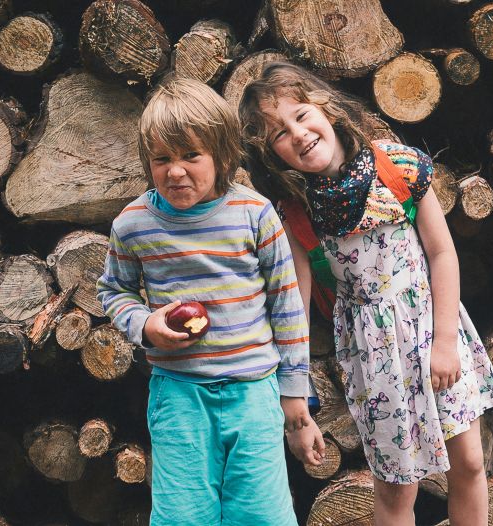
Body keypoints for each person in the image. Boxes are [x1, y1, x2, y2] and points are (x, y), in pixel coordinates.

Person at [239, 62, 493, 526]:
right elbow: (295, 314)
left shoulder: (397, 168)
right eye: (280, 134)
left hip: (432, 329)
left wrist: (445, 340)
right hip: (374, 357)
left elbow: (442, 253)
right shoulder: (299, 215)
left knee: (467, 463)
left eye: (301, 115)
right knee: (398, 488)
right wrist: (295, 402)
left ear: (327, 107)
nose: (298, 134)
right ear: (272, 155)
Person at [96, 77, 323, 526]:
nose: (175, 171)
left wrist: (294, 394)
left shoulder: (256, 215)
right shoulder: (134, 224)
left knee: (261, 514)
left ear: (221, 155)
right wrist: (144, 325)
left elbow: (287, 306)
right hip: (179, 394)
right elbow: (113, 290)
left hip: (254, 391)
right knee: (183, 516)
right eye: (162, 159)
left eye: (190, 156)